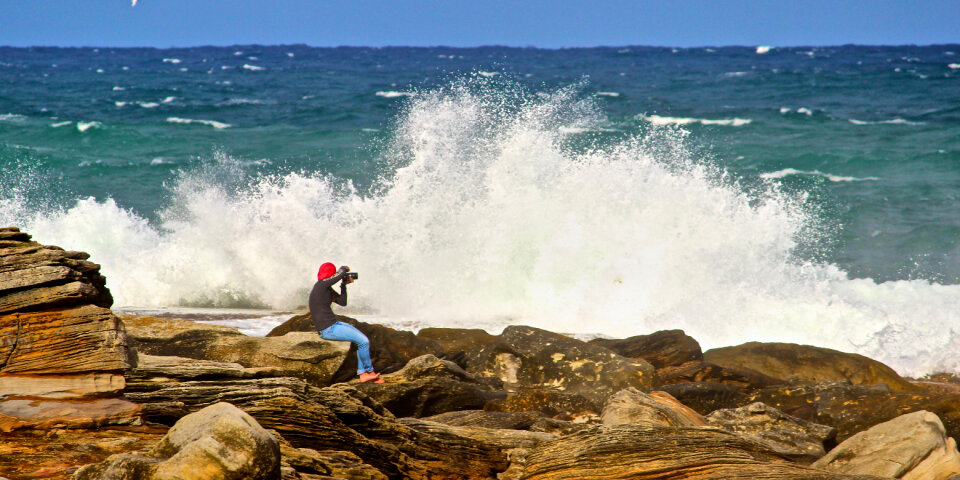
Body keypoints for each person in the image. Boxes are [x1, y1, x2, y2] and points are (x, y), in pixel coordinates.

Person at [309, 262, 383, 383]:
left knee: (361, 340)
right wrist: (344, 269)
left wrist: (343, 285)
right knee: (364, 342)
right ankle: (370, 372)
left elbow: (342, 302)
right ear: (330, 274)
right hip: (328, 329)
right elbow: (340, 273)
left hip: (334, 325)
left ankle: (363, 374)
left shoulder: (326, 288)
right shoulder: (321, 286)